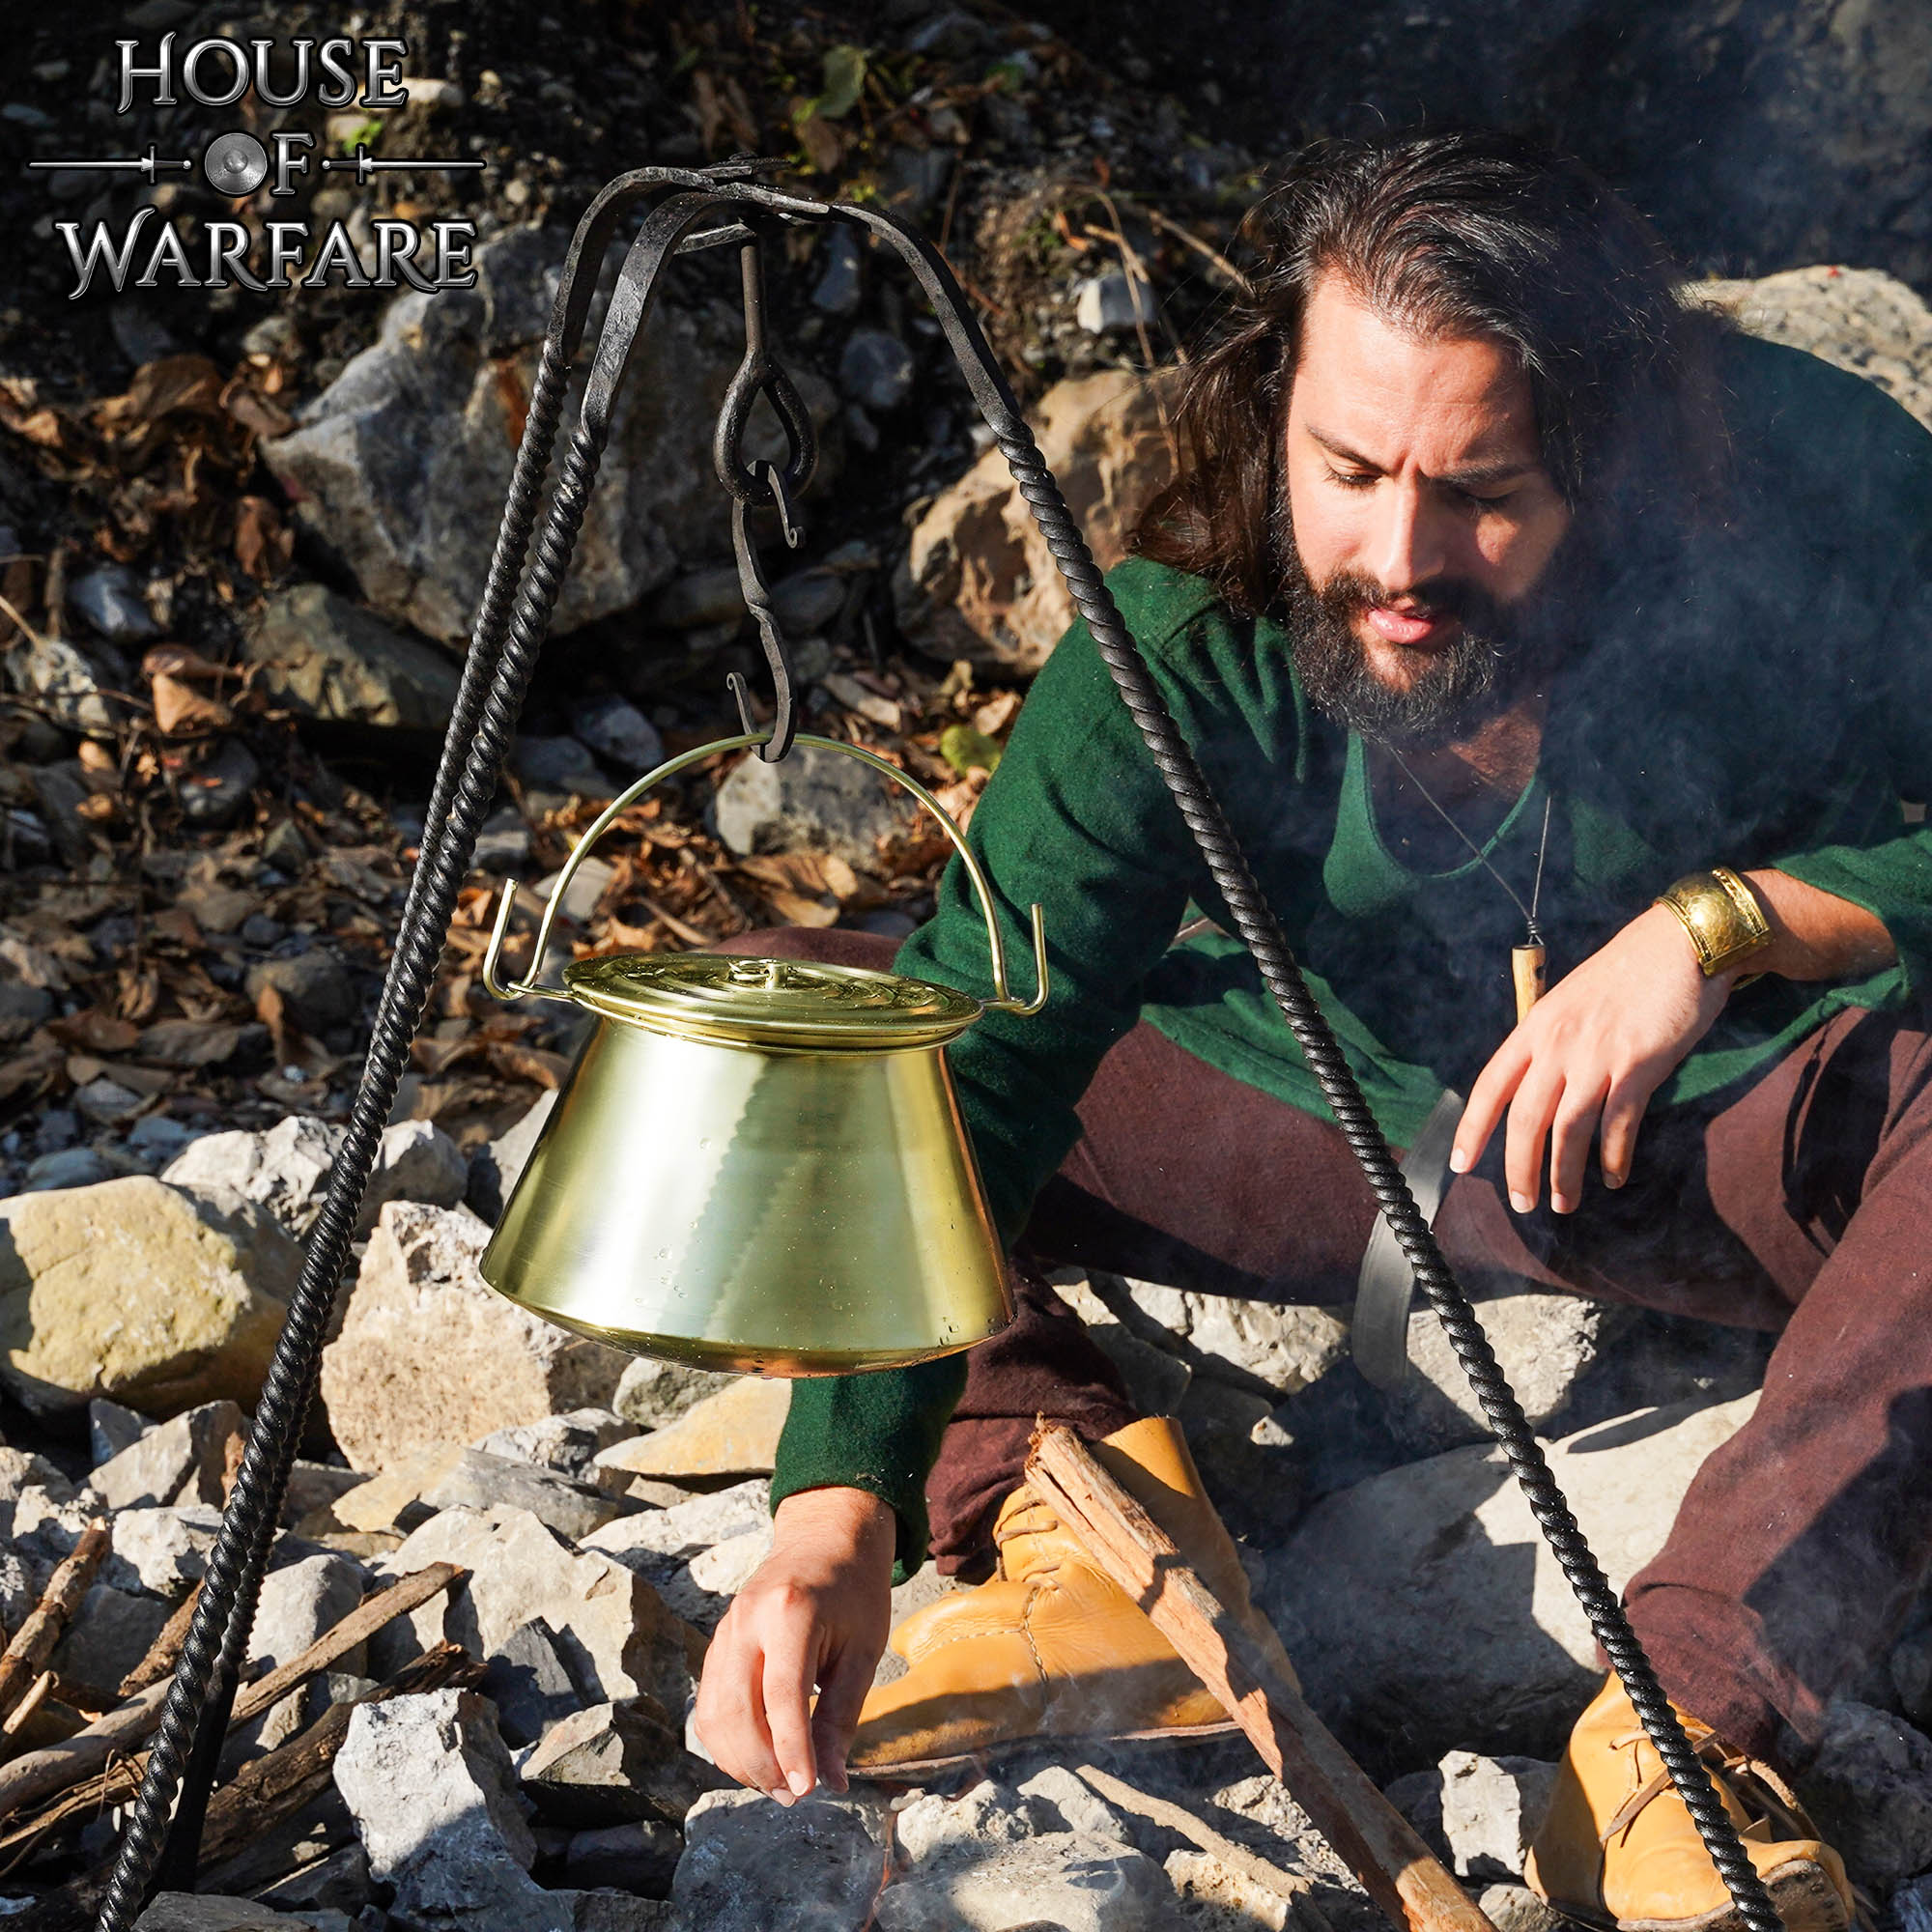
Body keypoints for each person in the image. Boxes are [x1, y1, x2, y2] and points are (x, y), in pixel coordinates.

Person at [692, 130, 1932, 1932]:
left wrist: (1724, 927)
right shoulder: (1193, 622)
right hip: (1307, 1129)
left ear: (1620, 455)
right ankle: (1085, 1526)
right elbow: (980, 1056)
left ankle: (1687, 1733)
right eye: (1346, 470)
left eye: (1483, 491)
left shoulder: (1828, 490)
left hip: (1714, 1128)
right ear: (1281, 405)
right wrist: (837, 1502)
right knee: (774, 1018)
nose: (1398, 559)